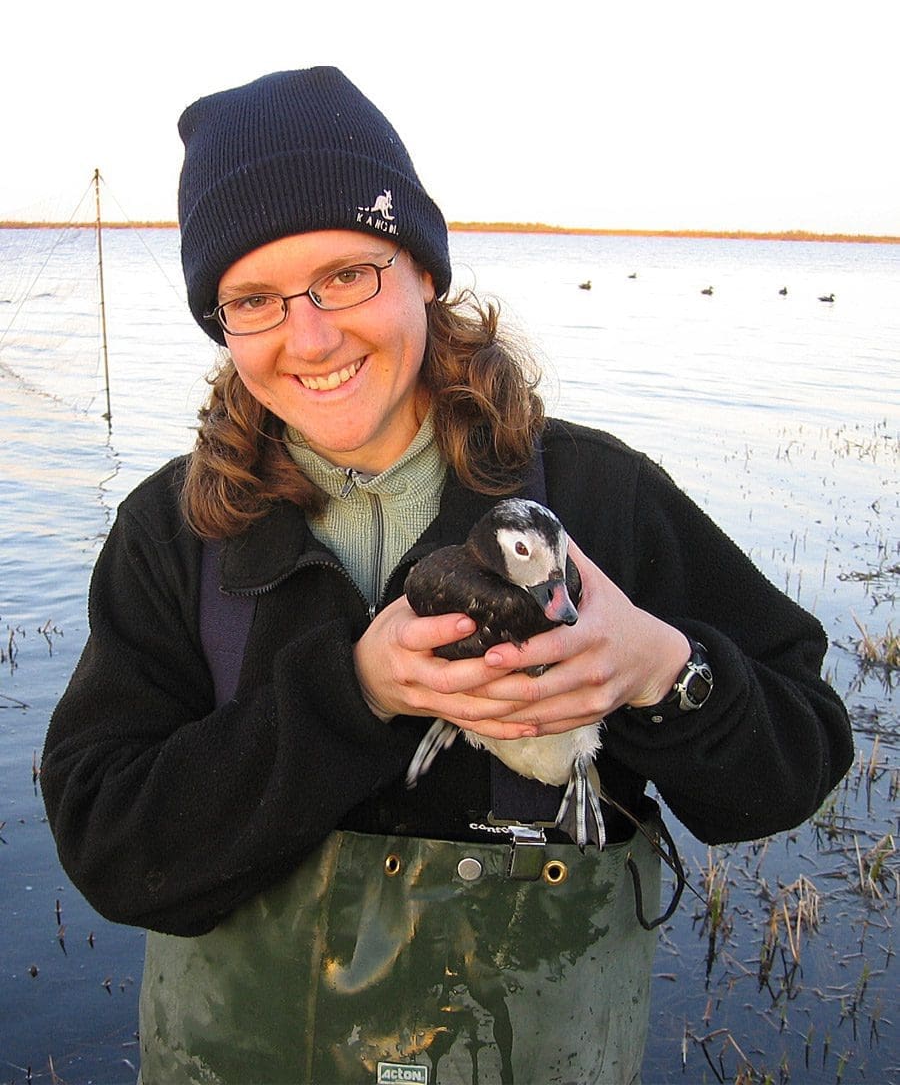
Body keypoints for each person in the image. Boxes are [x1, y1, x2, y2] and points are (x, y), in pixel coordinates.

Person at [41, 66, 853, 1085]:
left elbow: (799, 758)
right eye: (255, 298)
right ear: (222, 323)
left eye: (348, 274)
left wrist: (662, 668)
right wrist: (357, 691)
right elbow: (111, 844)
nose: (313, 335)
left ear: (424, 271)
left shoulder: (602, 499)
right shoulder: (175, 533)